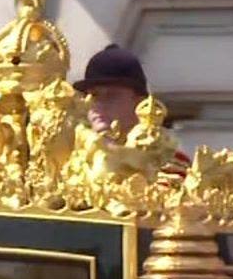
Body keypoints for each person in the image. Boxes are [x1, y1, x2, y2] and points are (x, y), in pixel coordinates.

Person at [73, 43, 189, 178]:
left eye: (111, 95)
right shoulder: (75, 162)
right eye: (94, 95)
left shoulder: (166, 162)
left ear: (140, 103)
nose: (99, 105)